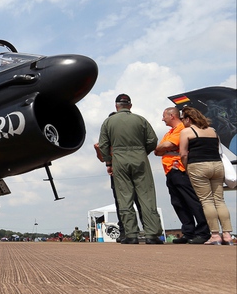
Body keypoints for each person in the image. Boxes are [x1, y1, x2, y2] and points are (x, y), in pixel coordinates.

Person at [98, 94, 163, 244]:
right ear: (130, 106)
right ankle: (151, 235)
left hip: (119, 159)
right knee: (146, 196)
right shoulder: (140, 120)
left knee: (124, 197)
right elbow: (152, 140)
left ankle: (131, 234)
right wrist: (141, 152)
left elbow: (103, 145)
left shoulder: (108, 122)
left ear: (116, 106)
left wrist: (109, 162)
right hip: (139, 157)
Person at [155, 107, 209, 244]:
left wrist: (166, 147)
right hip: (170, 171)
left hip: (180, 169)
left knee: (191, 200)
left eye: (164, 116)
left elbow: (168, 144)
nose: (162, 119)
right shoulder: (170, 132)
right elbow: (158, 150)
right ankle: (188, 232)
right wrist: (165, 147)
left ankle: (203, 231)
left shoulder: (181, 128)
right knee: (178, 202)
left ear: (172, 115)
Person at [179, 106, 233, 246]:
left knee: (206, 201)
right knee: (220, 200)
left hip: (198, 166)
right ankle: (227, 234)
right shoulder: (212, 131)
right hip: (217, 165)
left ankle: (215, 235)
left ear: (188, 119)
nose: (182, 122)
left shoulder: (186, 131)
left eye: (182, 119)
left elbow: (183, 154)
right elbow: (217, 149)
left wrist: (186, 167)